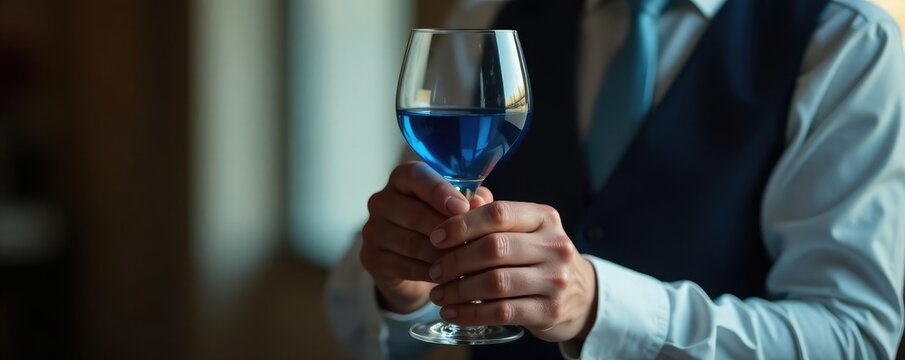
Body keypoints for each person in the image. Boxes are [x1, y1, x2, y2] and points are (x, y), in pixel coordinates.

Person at [326, 0, 905, 358]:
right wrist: (404, 292)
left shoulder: (847, 42)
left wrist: (597, 305)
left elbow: (852, 338)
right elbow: (354, 318)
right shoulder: (487, 20)